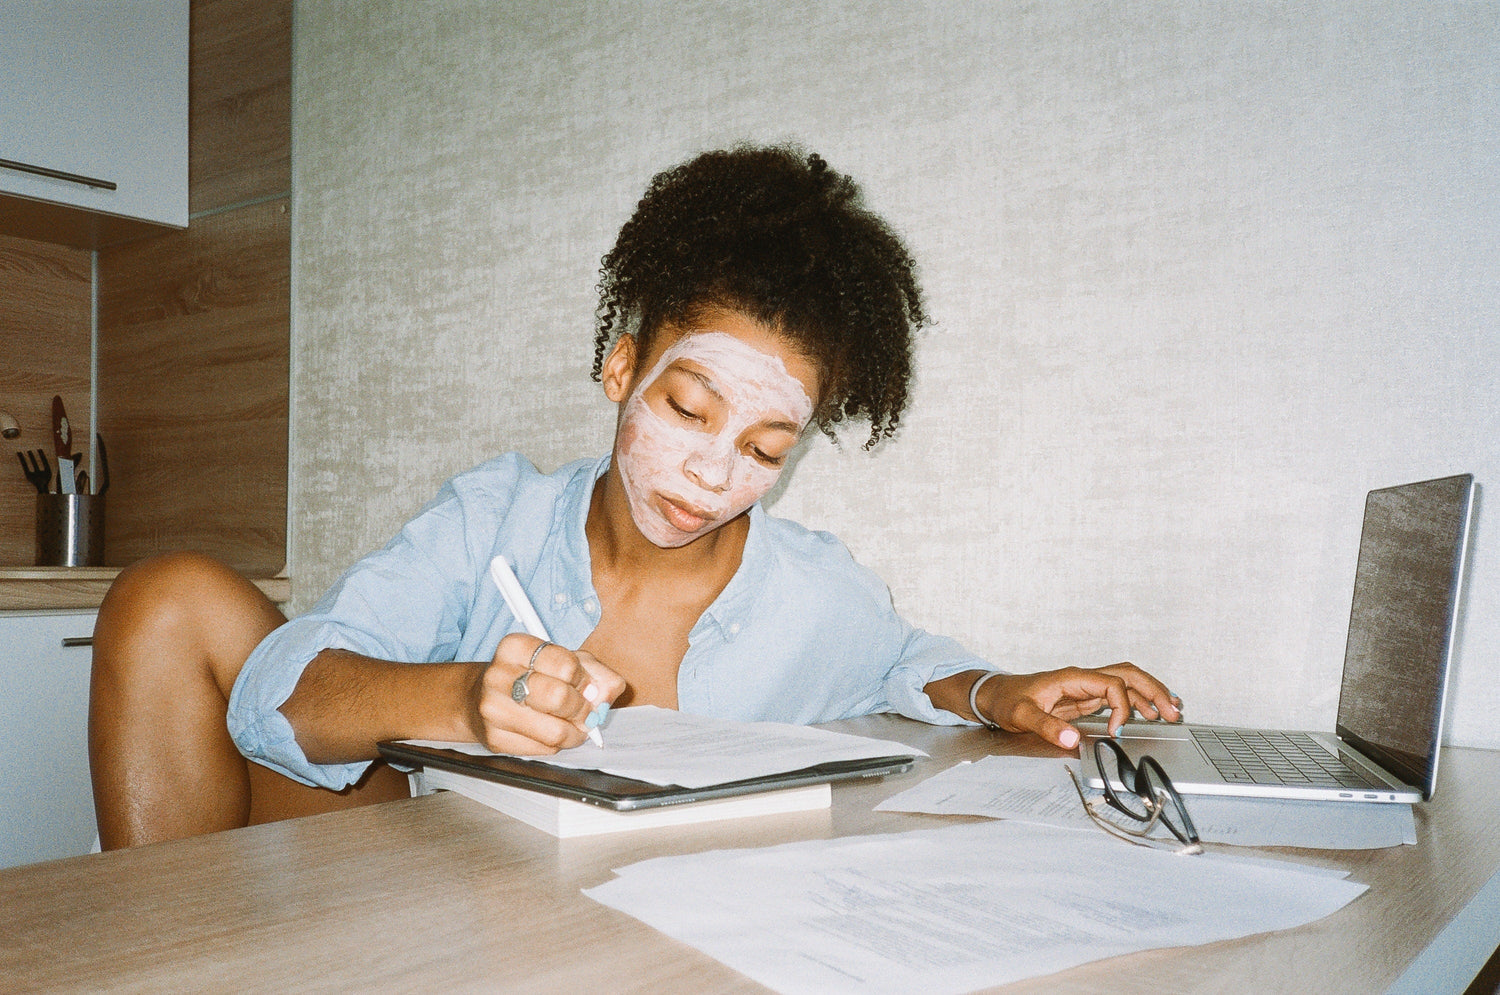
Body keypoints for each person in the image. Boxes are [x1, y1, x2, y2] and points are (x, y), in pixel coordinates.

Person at [89, 144, 1181, 850]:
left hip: (643, 943)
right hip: (429, 875)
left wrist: (1002, 690)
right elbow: (279, 691)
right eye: (691, 407)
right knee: (169, 593)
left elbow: (905, 664)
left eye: (765, 445)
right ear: (621, 367)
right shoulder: (494, 518)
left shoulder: (813, 590)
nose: (714, 475)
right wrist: (465, 700)